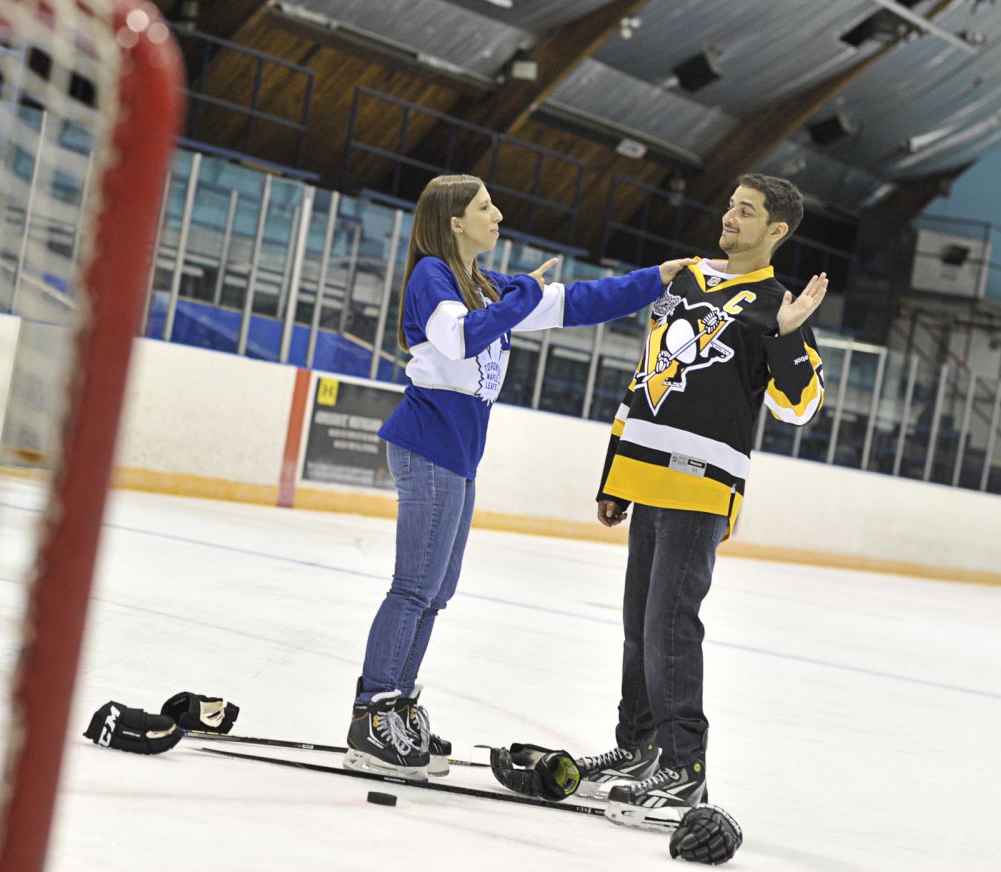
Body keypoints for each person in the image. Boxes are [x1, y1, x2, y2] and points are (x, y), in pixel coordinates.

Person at [345, 173, 693, 781]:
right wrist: (519, 297)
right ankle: (371, 714)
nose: (497, 214)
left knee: (435, 591)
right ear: (456, 222)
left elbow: (578, 302)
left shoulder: (484, 283)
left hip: (456, 453)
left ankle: (397, 704)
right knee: (413, 587)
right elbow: (455, 340)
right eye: (485, 207)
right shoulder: (433, 275)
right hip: (428, 444)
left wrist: (656, 278)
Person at [576, 173, 829, 825]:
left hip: (701, 485)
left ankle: (684, 768)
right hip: (645, 476)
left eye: (747, 212)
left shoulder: (777, 304)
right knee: (640, 625)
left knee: (670, 624)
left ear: (776, 231)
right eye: (730, 205)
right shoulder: (687, 280)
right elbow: (649, 374)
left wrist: (790, 335)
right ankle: (638, 749)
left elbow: (799, 407)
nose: (731, 217)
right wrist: (615, 474)